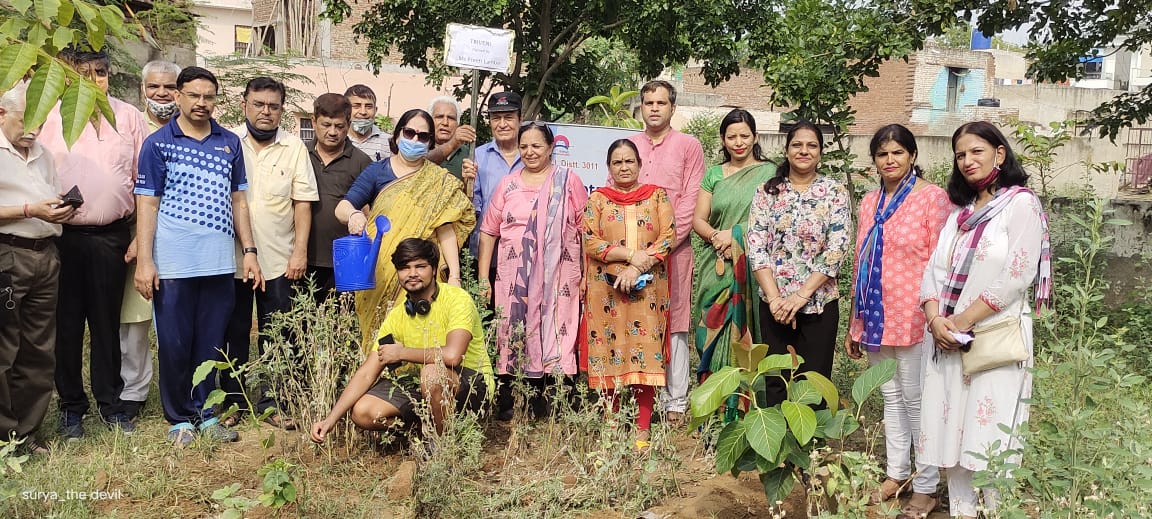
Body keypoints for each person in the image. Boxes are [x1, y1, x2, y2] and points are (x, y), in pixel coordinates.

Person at [918, 121, 1051, 519]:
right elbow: (933, 272)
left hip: (992, 339)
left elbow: (1017, 273)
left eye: (976, 151)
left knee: (989, 432)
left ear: (999, 152)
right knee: (951, 432)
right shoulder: (959, 214)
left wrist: (960, 322)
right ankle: (960, 510)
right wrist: (936, 320)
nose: (967, 161)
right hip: (946, 341)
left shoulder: (1021, 205)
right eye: (960, 155)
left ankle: (996, 512)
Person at [134, 66, 264, 447]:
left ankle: (207, 415)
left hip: (220, 263)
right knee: (175, 343)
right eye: (194, 95)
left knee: (211, 344)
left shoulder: (229, 142)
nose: (202, 103)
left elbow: (239, 200)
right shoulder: (158, 143)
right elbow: (147, 203)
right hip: (173, 263)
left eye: (209, 97)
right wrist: (145, 260)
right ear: (178, 96)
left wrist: (250, 252)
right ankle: (179, 420)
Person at [39, 47, 148, 437]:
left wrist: (139, 238)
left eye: (100, 72)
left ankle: (111, 403)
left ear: (108, 75)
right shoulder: (49, 116)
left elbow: (144, 182)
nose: (93, 80)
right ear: (68, 77)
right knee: (66, 325)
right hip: (61, 236)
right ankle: (71, 407)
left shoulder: (130, 116)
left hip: (112, 237)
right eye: (83, 73)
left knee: (106, 325)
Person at [844, 124, 951, 514]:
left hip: (915, 316)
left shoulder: (932, 199)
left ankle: (925, 484)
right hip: (874, 313)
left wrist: (937, 315)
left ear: (912, 156)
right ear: (874, 160)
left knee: (916, 400)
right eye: (882, 154)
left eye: (897, 153)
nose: (890, 160)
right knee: (889, 398)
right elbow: (861, 260)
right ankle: (897, 472)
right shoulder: (869, 201)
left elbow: (942, 263)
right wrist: (854, 321)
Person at [309, 238, 492, 441]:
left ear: (433, 269)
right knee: (363, 412)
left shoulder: (457, 299)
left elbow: (452, 356)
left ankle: (443, 446)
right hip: (422, 384)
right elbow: (366, 374)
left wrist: (401, 353)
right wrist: (330, 420)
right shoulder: (396, 316)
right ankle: (421, 433)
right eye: (404, 268)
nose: (412, 274)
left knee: (432, 373)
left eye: (420, 266)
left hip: (470, 383)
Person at [221, 77, 319, 430]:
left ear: (281, 110)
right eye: (259, 104)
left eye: (273, 106)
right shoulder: (226, 141)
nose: (266, 112)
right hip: (231, 260)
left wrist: (300, 252)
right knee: (231, 333)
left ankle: (273, 401)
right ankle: (233, 403)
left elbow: (303, 204)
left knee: (277, 333)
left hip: (279, 259)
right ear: (244, 104)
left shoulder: (294, 148)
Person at [335, 108, 475, 348]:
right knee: (376, 339)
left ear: (430, 142)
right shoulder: (377, 171)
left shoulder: (438, 180)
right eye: (409, 133)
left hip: (421, 275)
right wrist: (354, 215)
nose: (415, 140)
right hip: (379, 272)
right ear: (398, 134)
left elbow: (446, 230)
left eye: (423, 136)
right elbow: (343, 207)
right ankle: (374, 382)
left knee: (422, 336)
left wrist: (454, 276)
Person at [478, 122, 588, 420]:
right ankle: (514, 400)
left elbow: (586, 231)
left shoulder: (568, 181)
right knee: (513, 331)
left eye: (536, 146)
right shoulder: (508, 184)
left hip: (560, 277)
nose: (529, 152)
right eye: (524, 146)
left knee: (557, 331)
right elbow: (488, 231)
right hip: (514, 277)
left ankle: (553, 403)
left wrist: (587, 275)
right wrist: (482, 277)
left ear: (551, 148)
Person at [747, 120, 851, 406]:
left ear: (820, 152)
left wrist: (801, 296)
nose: (804, 151)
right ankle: (778, 448)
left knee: (813, 381)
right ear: (787, 149)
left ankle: (810, 447)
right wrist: (775, 299)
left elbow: (837, 247)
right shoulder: (767, 192)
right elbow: (755, 245)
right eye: (797, 145)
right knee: (776, 380)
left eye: (811, 145)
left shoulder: (834, 192)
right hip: (774, 305)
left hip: (818, 302)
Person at [582, 139, 674, 448]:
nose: (624, 167)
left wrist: (637, 266)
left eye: (629, 161)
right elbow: (589, 240)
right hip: (606, 291)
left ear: (639, 164)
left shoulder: (656, 196)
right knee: (610, 350)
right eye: (617, 162)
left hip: (648, 288)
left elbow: (668, 236)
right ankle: (611, 424)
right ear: (608, 168)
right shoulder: (597, 199)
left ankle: (642, 429)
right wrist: (625, 256)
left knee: (645, 351)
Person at [0, 82, 76, 452]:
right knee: (5, 349)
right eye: (26, 119)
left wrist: (61, 208)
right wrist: (29, 210)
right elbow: (27, 207)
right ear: (2, 114)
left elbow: (48, 198)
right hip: (7, 253)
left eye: (40, 121)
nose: (33, 128)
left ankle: (25, 433)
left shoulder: (43, 153)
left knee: (39, 349)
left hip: (46, 253)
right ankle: (2, 437)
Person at [627, 80, 705, 425]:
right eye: (648, 102)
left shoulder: (689, 146)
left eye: (661, 102)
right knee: (637, 321)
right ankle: (642, 398)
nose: (655, 108)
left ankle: (675, 401)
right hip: (632, 253)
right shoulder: (630, 145)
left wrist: (661, 247)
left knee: (675, 323)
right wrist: (633, 251)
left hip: (675, 251)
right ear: (641, 108)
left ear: (673, 108)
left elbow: (690, 200)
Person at [691, 109, 776, 387]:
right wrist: (719, 237)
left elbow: (775, 221)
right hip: (715, 266)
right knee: (710, 329)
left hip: (753, 267)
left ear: (755, 137)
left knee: (751, 331)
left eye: (744, 136)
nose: (738, 142)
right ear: (723, 140)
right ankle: (713, 404)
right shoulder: (714, 174)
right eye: (731, 137)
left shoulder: (770, 173)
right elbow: (698, 220)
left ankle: (743, 405)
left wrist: (737, 236)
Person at [119, 60, 181, 422]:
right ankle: (133, 390)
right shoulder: (129, 125)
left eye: (169, 87)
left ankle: (181, 389)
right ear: (143, 90)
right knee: (134, 316)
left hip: (177, 233)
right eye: (154, 87)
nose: (162, 94)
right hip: (134, 231)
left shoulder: (188, 126)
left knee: (178, 313)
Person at [306, 93, 374, 302]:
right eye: (326, 125)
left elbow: (371, 212)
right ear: (313, 121)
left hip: (345, 261)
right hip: (301, 258)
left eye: (340, 126)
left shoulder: (362, 162)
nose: (333, 132)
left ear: (348, 124)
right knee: (298, 327)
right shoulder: (299, 154)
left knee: (339, 325)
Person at [461, 91, 523, 260]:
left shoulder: (532, 157)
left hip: (524, 252)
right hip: (487, 254)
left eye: (508, 117)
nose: (502, 124)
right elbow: (472, 209)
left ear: (520, 119)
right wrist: (467, 185)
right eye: (496, 118)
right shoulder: (478, 157)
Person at [426, 96, 476, 178]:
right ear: (429, 121)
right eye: (439, 117)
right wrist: (452, 143)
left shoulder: (469, 154)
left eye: (451, 118)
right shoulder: (420, 148)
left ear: (458, 123)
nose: (445, 123)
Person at [344, 84, 391, 161]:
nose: (363, 112)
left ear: (375, 110)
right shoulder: (337, 138)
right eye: (356, 106)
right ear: (346, 109)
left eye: (368, 107)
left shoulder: (388, 142)